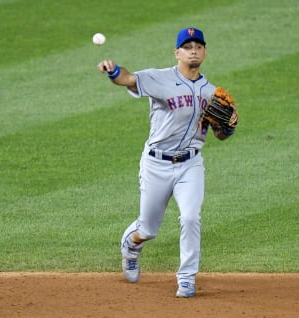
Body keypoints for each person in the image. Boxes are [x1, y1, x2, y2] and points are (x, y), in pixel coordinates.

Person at [97, 27, 236, 298]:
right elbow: (128, 79)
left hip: (190, 165)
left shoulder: (211, 93)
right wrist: (113, 71)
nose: (193, 49)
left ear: (205, 52)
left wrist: (227, 129)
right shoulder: (159, 78)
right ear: (177, 53)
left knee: (191, 217)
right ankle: (131, 245)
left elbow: (219, 135)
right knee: (148, 229)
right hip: (156, 165)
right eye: (187, 46)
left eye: (198, 46)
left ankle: (186, 278)